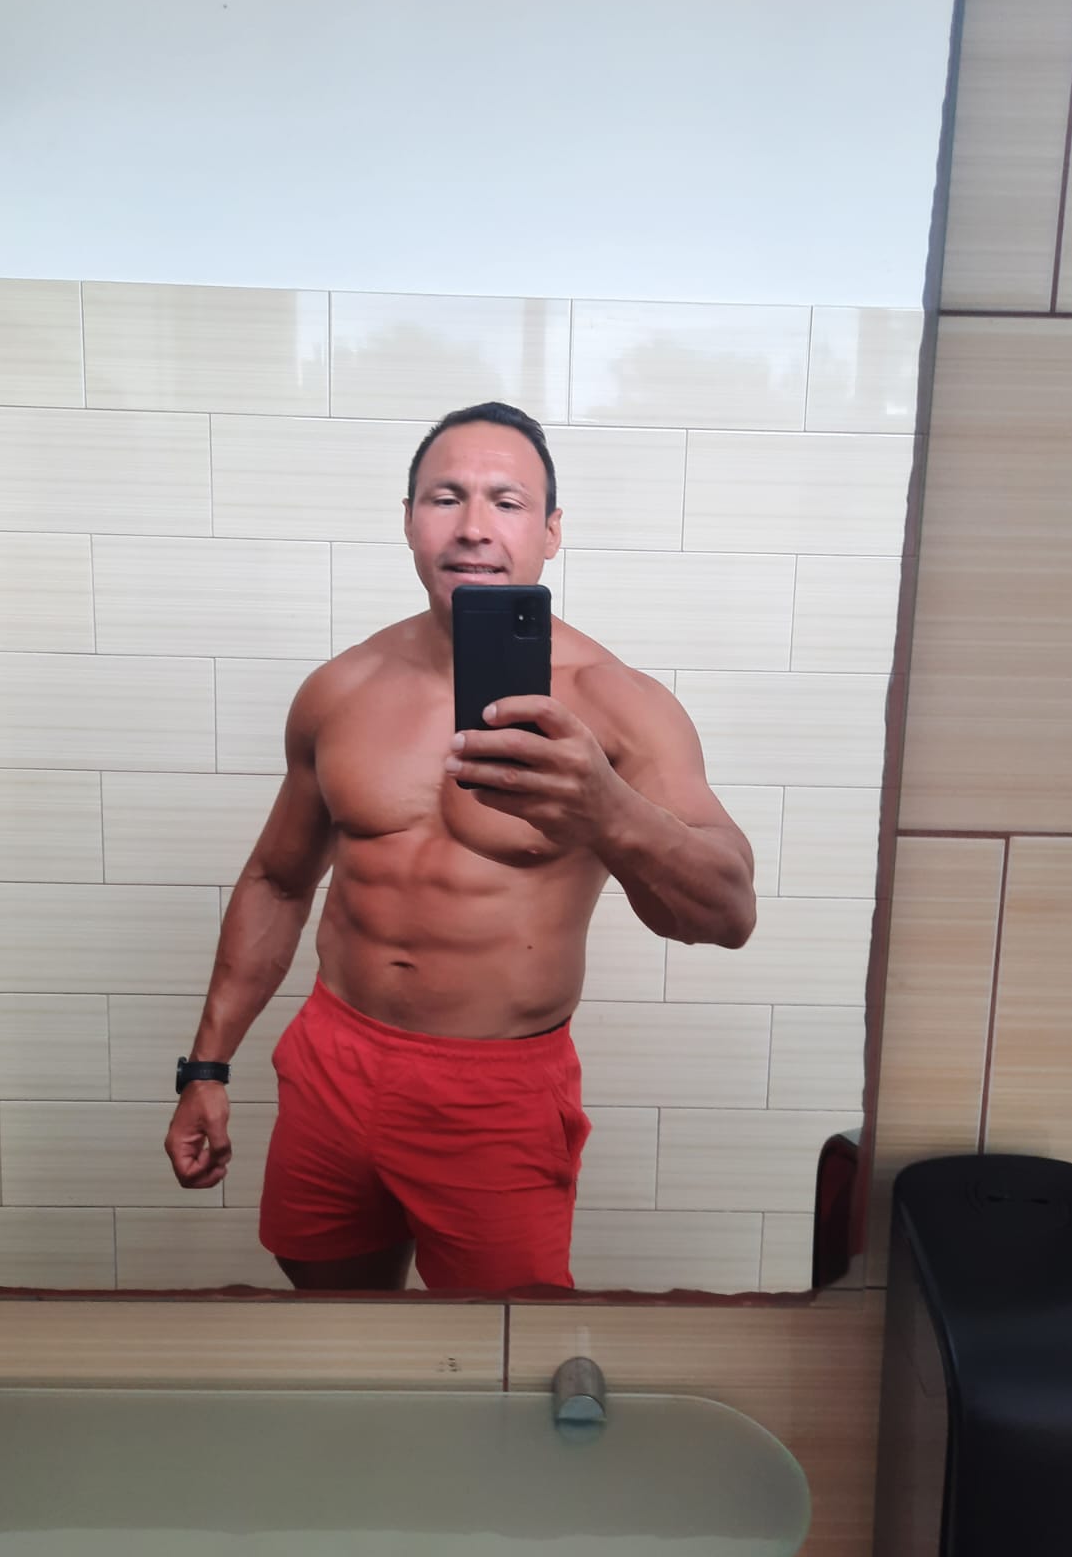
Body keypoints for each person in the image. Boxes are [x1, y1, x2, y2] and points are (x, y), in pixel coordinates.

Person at [164, 402, 756, 1292]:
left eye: (507, 502)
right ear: (409, 520)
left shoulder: (618, 703)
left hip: (496, 1091)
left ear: (551, 531)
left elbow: (729, 912)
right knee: (329, 1311)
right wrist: (206, 1067)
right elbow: (278, 883)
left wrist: (607, 810)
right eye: (446, 497)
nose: (474, 526)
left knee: (498, 1345)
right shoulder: (342, 687)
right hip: (333, 1060)